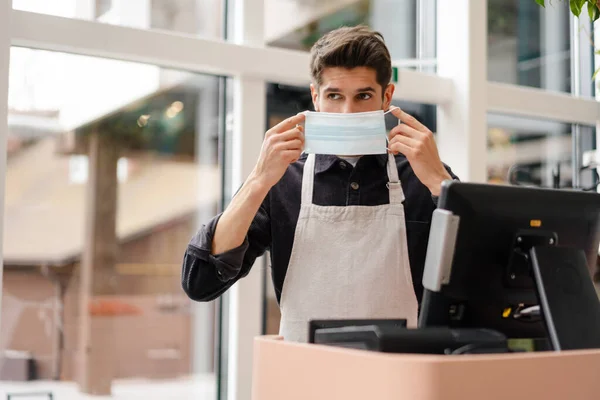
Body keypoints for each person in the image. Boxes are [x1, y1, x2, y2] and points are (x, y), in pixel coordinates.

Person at [181, 25, 458, 342]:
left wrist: (439, 182)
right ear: (315, 97)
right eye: (334, 96)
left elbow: (477, 278)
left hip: (400, 378)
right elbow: (200, 282)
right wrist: (258, 179)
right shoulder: (282, 179)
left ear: (387, 98)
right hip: (306, 378)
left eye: (363, 96)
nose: (347, 111)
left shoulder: (423, 175)